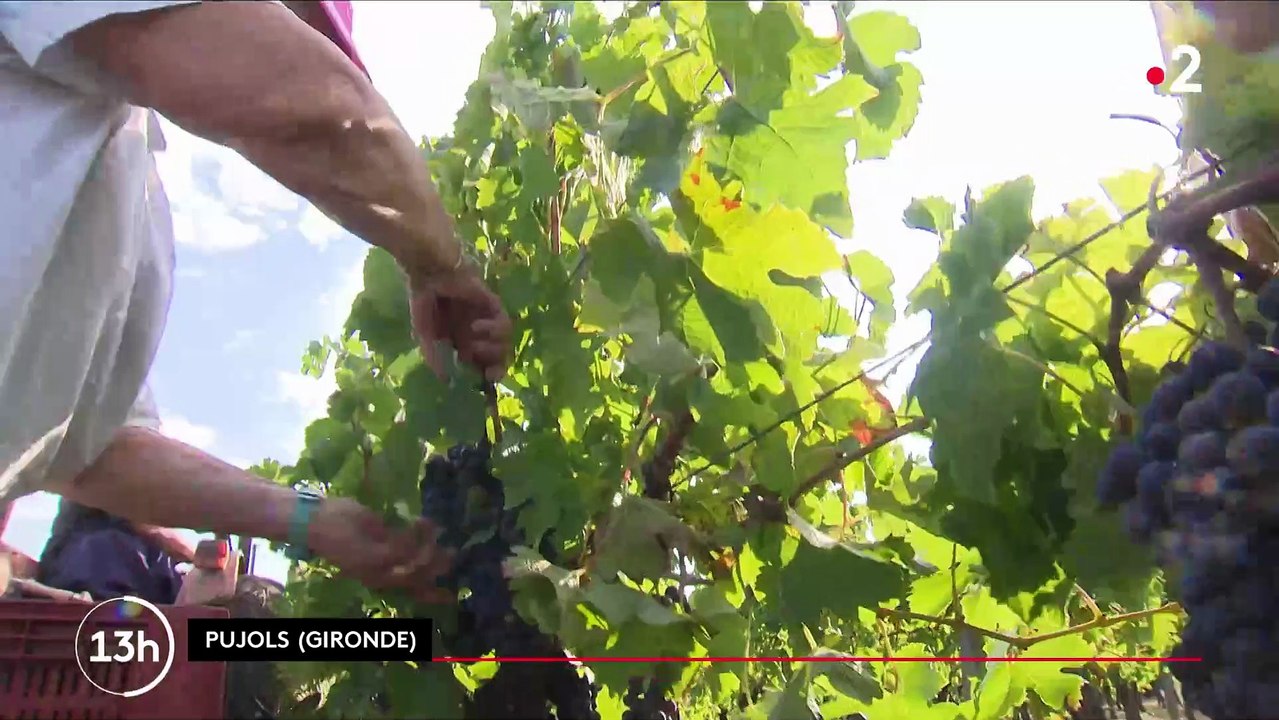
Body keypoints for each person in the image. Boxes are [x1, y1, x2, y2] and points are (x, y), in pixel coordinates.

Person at [0, 1, 512, 603]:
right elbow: (318, 110)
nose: (276, 39)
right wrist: (439, 265)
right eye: (288, 21)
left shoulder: (109, 168)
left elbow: (88, 453)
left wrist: (306, 519)